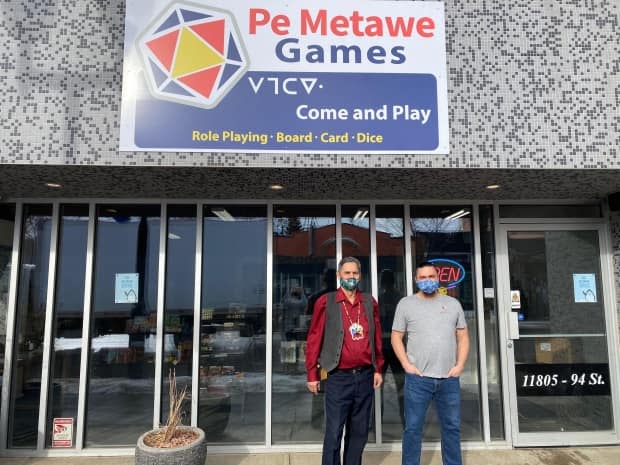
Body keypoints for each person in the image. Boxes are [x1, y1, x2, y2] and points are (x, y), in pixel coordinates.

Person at [306, 257, 384, 465]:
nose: (351, 277)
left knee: (359, 433)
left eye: (355, 273)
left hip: (365, 375)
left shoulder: (369, 302)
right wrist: (312, 373)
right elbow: (314, 338)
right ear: (339, 275)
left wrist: (378, 368)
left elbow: (376, 336)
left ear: (360, 276)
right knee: (334, 432)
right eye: (347, 273)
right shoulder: (326, 302)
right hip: (338, 377)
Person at [391, 261, 470, 465]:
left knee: (451, 428)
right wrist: (407, 366)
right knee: (413, 428)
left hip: (448, 379)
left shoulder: (453, 304)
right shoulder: (405, 304)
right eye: (423, 278)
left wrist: (460, 365)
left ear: (438, 278)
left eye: (431, 277)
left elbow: (463, 336)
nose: (428, 281)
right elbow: (396, 337)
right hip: (419, 379)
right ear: (416, 280)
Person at [378, 269, 405, 426]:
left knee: (378, 386)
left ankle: (377, 423)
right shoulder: (400, 298)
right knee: (401, 385)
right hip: (396, 345)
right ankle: (405, 420)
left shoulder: (383, 298)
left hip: (386, 345)